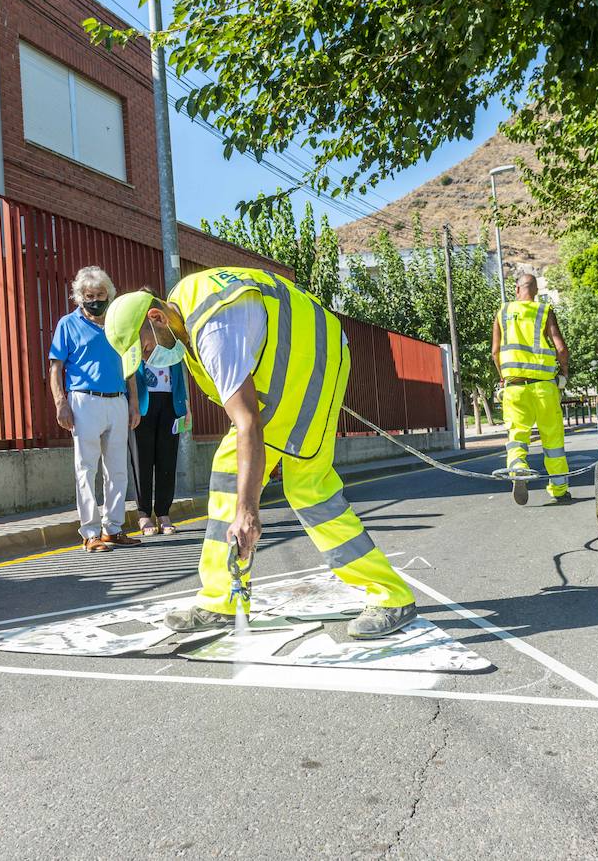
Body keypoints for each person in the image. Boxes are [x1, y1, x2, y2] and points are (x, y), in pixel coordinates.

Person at [105, 266, 418, 639]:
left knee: (307, 484)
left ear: (155, 318)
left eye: (145, 348)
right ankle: (223, 600)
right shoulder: (185, 311)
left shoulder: (213, 329)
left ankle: (390, 596)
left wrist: (248, 511)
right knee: (228, 468)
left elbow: (248, 422)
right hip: (297, 362)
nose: (149, 358)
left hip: (310, 359)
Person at [50, 266, 142, 553]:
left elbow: (131, 364)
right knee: (85, 468)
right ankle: (89, 532)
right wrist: (60, 402)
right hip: (83, 400)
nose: (96, 300)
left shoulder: (118, 324)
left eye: (101, 294)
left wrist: (134, 402)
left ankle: (112, 529)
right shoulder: (67, 324)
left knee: (117, 470)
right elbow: (56, 367)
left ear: (109, 295)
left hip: (117, 399)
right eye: (89, 295)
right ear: (80, 296)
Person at [492, 272, 571, 506]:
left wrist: (503, 378)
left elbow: (495, 352)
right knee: (553, 440)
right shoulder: (544, 311)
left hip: (514, 387)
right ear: (535, 291)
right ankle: (558, 489)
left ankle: (517, 469)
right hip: (544, 388)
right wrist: (564, 374)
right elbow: (561, 348)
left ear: (517, 290)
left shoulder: (502, 313)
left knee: (517, 435)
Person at [131, 359, 188, 535]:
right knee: (142, 460)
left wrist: (186, 406)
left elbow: (180, 376)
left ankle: (163, 513)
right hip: (143, 403)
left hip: (171, 402)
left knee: (167, 460)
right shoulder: (137, 336)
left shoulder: (171, 338)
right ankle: (144, 514)